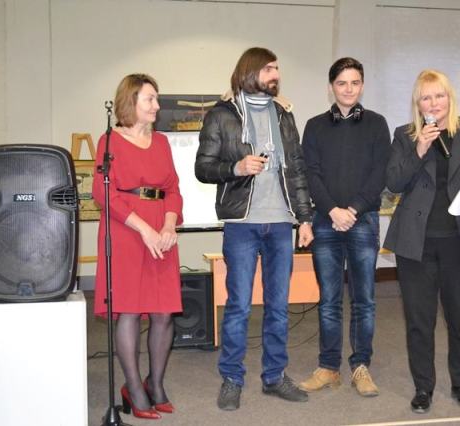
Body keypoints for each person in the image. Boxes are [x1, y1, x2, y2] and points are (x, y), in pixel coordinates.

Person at [195, 47, 314, 411]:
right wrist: (236, 168)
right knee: (239, 307)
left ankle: (274, 377)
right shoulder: (222, 114)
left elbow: (296, 168)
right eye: (269, 68)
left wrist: (305, 218)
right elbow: (203, 168)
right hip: (241, 225)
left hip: (280, 224)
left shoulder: (283, 113)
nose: (276, 74)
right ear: (250, 72)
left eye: (277, 68)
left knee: (278, 307)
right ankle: (232, 379)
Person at [383, 69, 460, 413]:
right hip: (416, 244)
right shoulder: (405, 136)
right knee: (419, 322)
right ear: (418, 104)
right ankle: (423, 388)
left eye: (439, 95)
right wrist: (420, 148)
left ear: (450, 98)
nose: (433, 103)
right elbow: (393, 182)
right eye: (426, 97)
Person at [92, 74, 183, 420]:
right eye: (150, 99)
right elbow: (103, 193)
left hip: (162, 229)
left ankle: (155, 383)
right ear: (130, 102)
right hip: (127, 229)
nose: (157, 106)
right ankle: (132, 386)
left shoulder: (161, 142)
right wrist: (145, 229)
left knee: (163, 311)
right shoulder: (109, 141)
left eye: (156, 99)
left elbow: (173, 188)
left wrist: (169, 225)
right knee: (128, 310)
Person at [299, 57, 390, 397]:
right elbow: (311, 174)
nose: (348, 89)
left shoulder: (377, 124)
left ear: (362, 85)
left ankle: (361, 366)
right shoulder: (315, 126)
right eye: (341, 83)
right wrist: (332, 210)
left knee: (364, 300)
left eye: (354, 82)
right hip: (325, 222)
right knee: (329, 300)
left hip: (363, 219)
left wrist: (352, 209)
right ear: (331, 87)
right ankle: (328, 367)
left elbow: (380, 172)